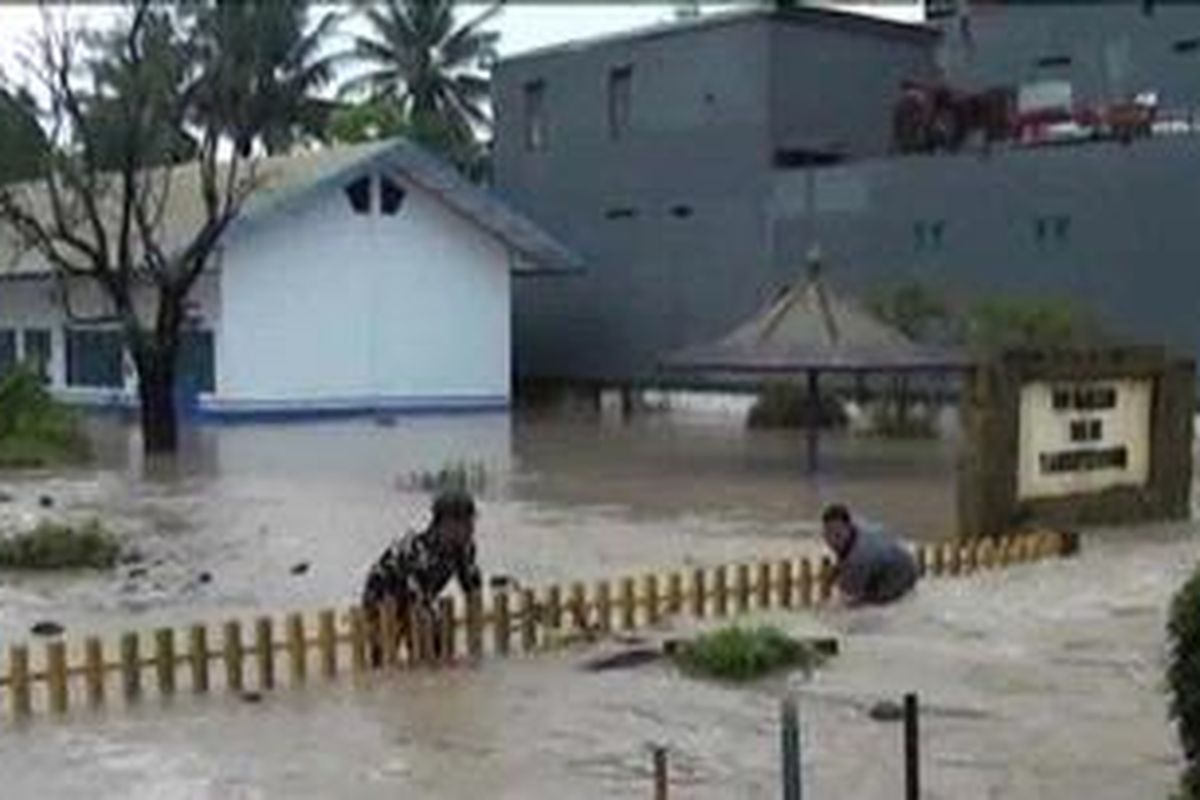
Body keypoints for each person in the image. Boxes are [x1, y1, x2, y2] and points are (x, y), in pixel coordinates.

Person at [361, 490, 483, 666]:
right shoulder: (416, 551)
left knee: (436, 646)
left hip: (418, 598)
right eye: (465, 521)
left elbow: (472, 590)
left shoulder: (464, 548)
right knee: (386, 660)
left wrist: (476, 648)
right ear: (445, 524)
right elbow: (418, 601)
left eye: (472, 520)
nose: (471, 527)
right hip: (382, 598)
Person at [820, 503, 918, 606]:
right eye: (827, 533)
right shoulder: (857, 527)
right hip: (899, 559)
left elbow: (850, 595)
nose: (832, 540)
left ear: (848, 528)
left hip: (899, 574)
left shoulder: (859, 557)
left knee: (865, 603)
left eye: (837, 535)